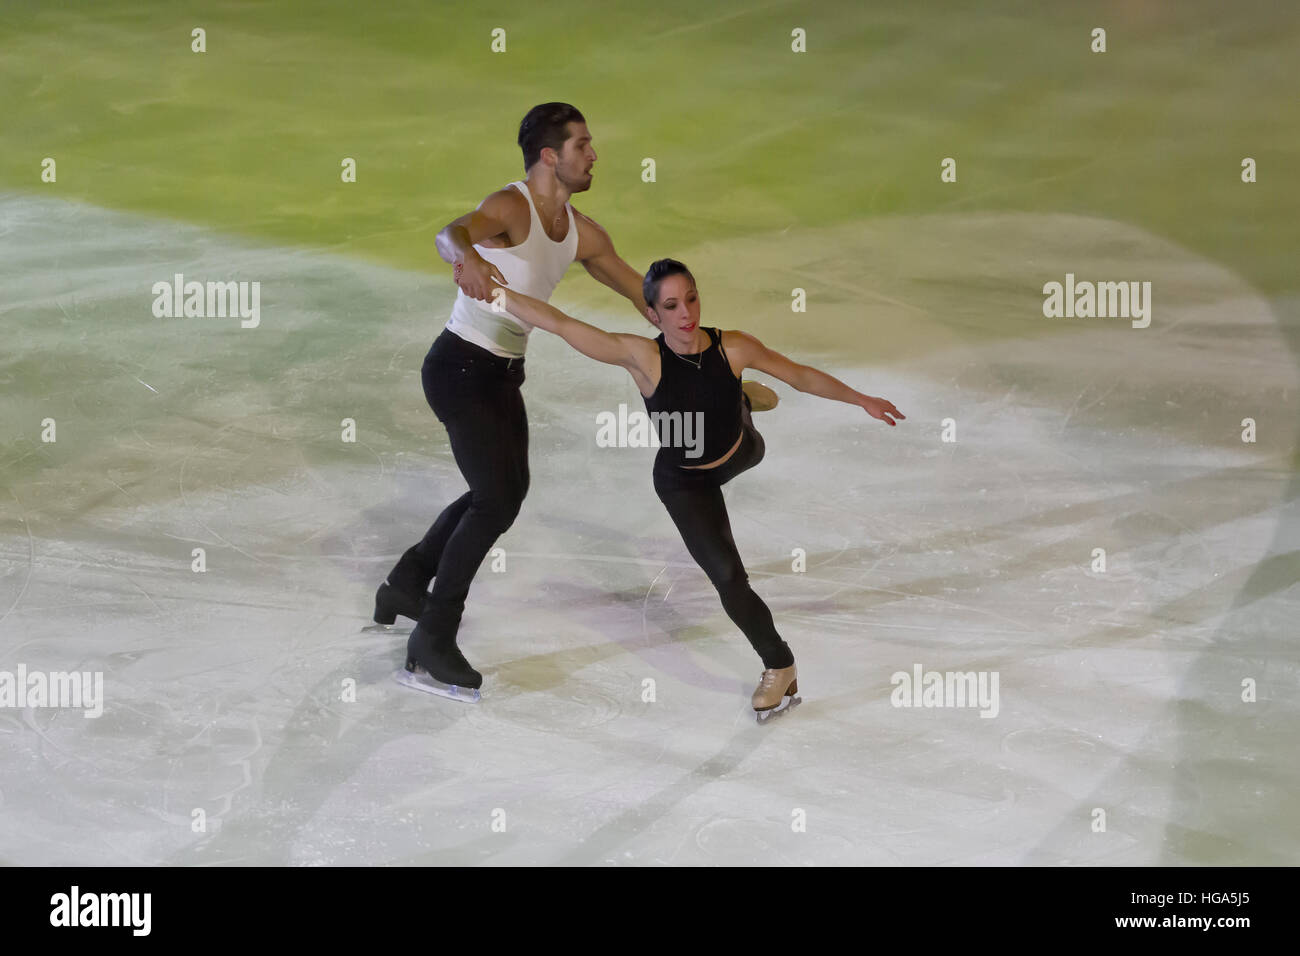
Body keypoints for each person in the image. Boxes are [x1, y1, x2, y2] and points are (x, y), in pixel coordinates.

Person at [491, 259, 905, 714]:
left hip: (741, 448)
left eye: (691, 298)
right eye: (671, 305)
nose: (685, 313)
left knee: (732, 413)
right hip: (684, 482)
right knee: (728, 578)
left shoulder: (734, 347)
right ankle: (779, 664)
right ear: (653, 315)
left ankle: (742, 400)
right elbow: (561, 323)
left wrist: (861, 399)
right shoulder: (643, 358)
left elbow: (800, 375)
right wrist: (496, 293)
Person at [377, 104, 649, 701]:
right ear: (550, 156)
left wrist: (690, 340)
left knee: (497, 494)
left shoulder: (583, 234)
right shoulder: (511, 209)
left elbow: (640, 292)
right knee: (497, 498)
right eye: (583, 145)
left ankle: (407, 581)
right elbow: (450, 234)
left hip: (502, 375)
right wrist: (468, 257)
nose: (593, 154)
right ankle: (433, 635)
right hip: (457, 367)